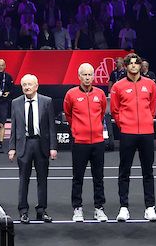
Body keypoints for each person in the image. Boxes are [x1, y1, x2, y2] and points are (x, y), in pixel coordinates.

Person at [110, 53, 156, 222]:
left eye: (135, 63)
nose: (133, 66)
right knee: (124, 171)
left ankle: (150, 208)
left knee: (148, 171)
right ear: (125, 66)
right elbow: (115, 110)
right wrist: (123, 124)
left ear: (140, 66)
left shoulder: (150, 84)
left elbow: (152, 107)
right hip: (127, 132)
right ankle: (124, 208)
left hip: (146, 132)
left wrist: (146, 121)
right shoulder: (118, 86)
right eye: (129, 63)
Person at [8, 74, 56, 223]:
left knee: (42, 180)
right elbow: (14, 127)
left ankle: (42, 210)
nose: (27, 87)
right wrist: (12, 147)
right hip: (24, 145)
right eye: (24, 85)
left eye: (29, 84)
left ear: (36, 86)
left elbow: (51, 127)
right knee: (24, 180)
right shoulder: (15, 103)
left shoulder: (47, 102)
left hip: (41, 144)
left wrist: (53, 147)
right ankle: (23, 211)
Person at [63, 63, 108, 222]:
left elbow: (102, 112)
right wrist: (77, 129)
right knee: (78, 177)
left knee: (99, 177)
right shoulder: (71, 94)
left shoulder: (100, 94)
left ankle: (99, 208)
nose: (87, 78)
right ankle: (77, 208)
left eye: (90, 74)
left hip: (97, 142)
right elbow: (68, 114)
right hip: (79, 142)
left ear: (94, 76)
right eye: (85, 75)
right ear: (79, 76)